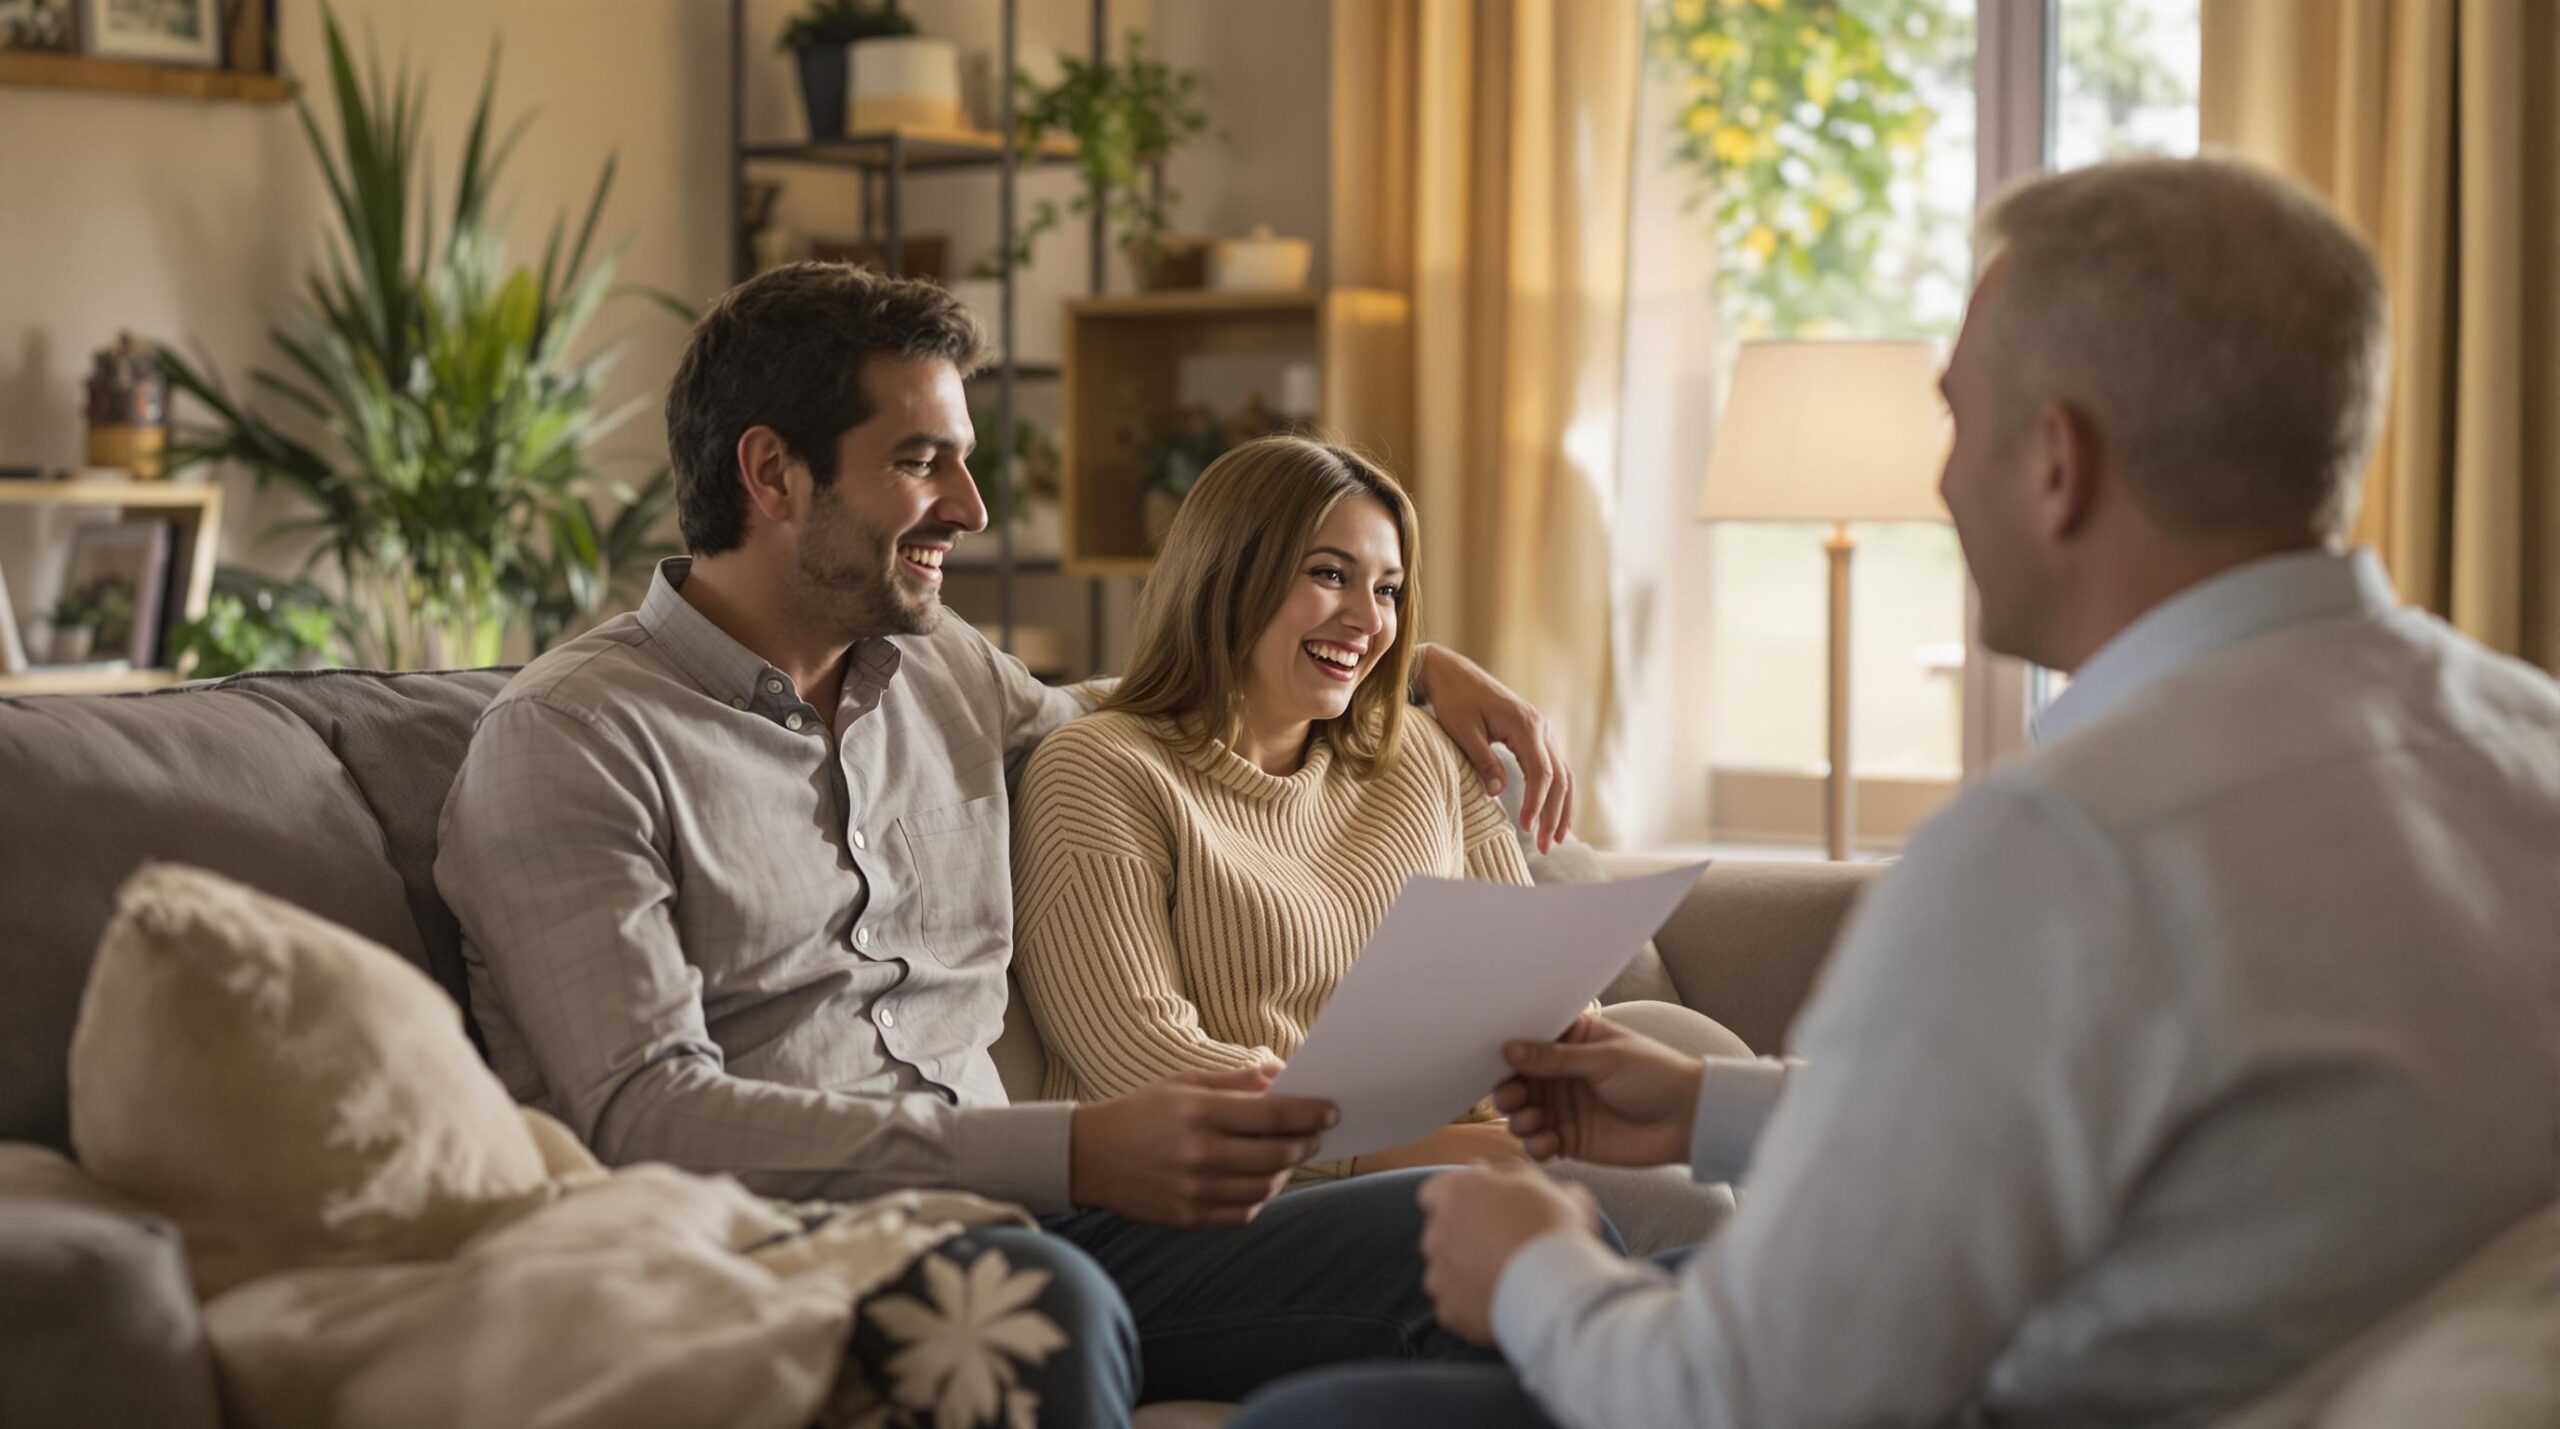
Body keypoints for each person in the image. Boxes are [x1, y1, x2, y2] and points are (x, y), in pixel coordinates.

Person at [1233, 156, 2560, 1429]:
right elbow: (2199, 1139)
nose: (1939, 476)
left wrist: (1531, 1265)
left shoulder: (2060, 847)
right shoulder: (2526, 743)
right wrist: (1714, 1110)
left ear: (2058, 463)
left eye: (1955, 416)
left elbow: (1736, 1401)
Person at [433, 262, 1581, 1427]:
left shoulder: (943, 672)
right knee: (1040, 1304)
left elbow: (1170, 712)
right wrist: (1072, 1151)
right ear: (772, 473)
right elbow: (644, 1113)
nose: (973, 507)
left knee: (1480, 1237)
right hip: (773, 1251)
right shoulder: (570, 740)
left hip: (1044, 1227)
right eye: (921, 461)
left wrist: (1409, 669)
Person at [1010, 435, 1748, 1257]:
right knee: (1687, 1216)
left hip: (1450, 1137)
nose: (1368, 620)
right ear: (1229, 572)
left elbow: (1525, 981)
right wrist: (1404, 1151)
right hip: (1225, 1203)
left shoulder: (1424, 752)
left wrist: (1558, 1066)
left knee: (1689, 1050)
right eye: (1329, 574)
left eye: (1388, 589)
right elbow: (1146, 1066)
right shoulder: (1100, 769)